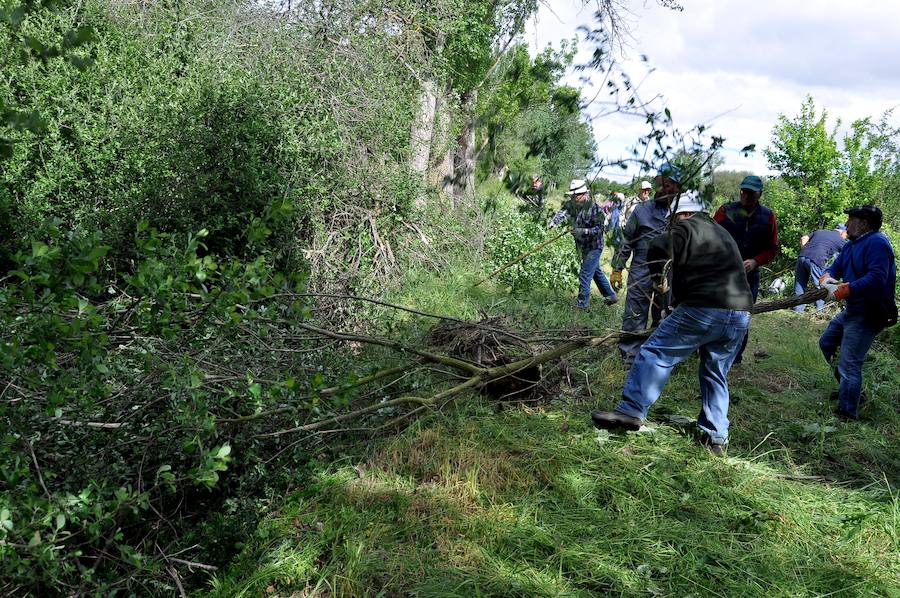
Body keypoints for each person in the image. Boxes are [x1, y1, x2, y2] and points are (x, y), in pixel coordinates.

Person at [591, 194, 753, 455]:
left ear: (682, 214)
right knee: (715, 371)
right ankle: (716, 437)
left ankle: (631, 410)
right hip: (741, 313)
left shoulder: (686, 226)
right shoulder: (720, 232)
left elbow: (657, 245)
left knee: (656, 352)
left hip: (704, 307)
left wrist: (657, 277)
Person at [818, 205, 896, 420]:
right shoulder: (851, 245)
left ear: (864, 223)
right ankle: (849, 389)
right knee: (826, 343)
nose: (847, 223)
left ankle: (847, 412)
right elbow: (835, 268)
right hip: (853, 310)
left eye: (851, 219)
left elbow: (877, 278)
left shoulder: (878, 243)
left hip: (869, 312)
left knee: (849, 362)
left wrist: (844, 289)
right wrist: (826, 279)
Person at [611, 167, 680, 367]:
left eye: (666, 185)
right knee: (635, 313)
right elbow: (626, 241)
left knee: (666, 314)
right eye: (659, 184)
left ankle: (656, 356)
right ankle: (629, 357)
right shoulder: (642, 210)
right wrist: (617, 268)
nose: (661, 189)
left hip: (670, 272)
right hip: (641, 269)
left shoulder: (683, 213)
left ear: (677, 188)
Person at [713, 175, 780, 364]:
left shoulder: (768, 216)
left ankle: (735, 357)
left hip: (750, 275)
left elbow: (773, 248)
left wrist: (756, 261)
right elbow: (710, 237)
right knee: (717, 311)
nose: (746, 195)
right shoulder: (726, 210)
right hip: (723, 272)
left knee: (742, 316)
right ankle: (714, 353)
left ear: (760, 194)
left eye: (751, 193)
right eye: (743, 191)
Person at [549, 179, 618, 308]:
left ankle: (582, 305)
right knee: (596, 271)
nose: (574, 198)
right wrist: (553, 222)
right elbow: (562, 213)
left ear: (584, 194)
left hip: (594, 246)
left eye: (576, 195)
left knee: (585, 274)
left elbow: (600, 229)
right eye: (573, 196)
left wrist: (583, 231)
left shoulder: (595, 209)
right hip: (582, 246)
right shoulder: (571, 205)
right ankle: (611, 296)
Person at [794, 223, 847, 312]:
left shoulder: (820, 232)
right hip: (817, 260)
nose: (846, 237)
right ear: (843, 232)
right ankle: (819, 311)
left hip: (802, 257)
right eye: (846, 234)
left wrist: (805, 249)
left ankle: (797, 311)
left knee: (800, 285)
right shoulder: (840, 240)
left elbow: (804, 238)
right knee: (821, 286)